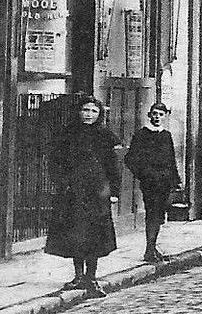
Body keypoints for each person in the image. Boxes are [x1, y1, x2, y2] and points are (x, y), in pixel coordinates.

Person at [45, 96, 120, 299]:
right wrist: (61, 183)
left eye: (93, 111)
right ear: (79, 112)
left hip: (97, 191)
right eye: (85, 110)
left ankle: (91, 277)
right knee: (75, 232)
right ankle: (78, 275)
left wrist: (114, 192)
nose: (89, 114)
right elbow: (55, 161)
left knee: (95, 234)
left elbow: (113, 167)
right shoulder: (67, 133)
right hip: (73, 191)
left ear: (99, 114)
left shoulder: (105, 136)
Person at [124, 101, 181, 263]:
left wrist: (176, 181)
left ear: (165, 116)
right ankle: (149, 250)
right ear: (149, 115)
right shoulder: (141, 134)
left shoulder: (166, 135)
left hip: (165, 182)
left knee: (159, 215)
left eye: (161, 114)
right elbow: (130, 159)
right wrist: (144, 174)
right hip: (150, 182)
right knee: (153, 214)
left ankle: (152, 246)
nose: (157, 117)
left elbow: (171, 159)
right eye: (154, 113)